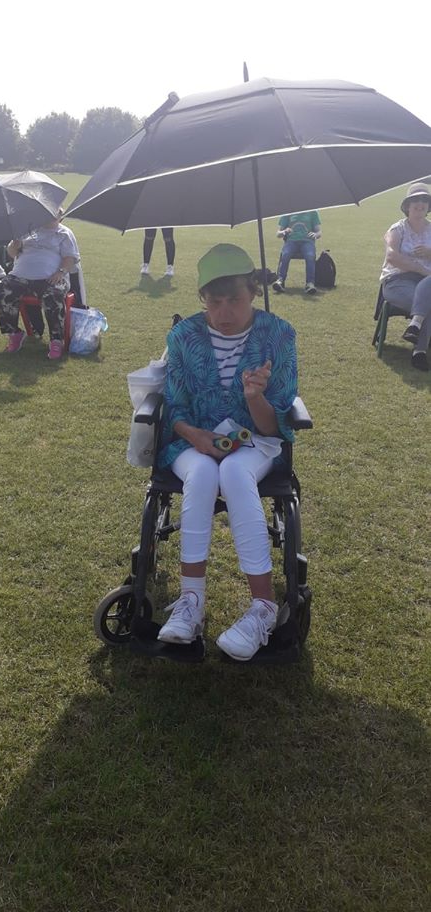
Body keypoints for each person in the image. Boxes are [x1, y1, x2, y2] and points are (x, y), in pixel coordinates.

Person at [156, 243, 298, 661]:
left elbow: (276, 424)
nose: (224, 312)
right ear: (202, 298)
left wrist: (255, 397)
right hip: (191, 439)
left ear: (253, 291)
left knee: (235, 472)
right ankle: (190, 604)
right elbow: (174, 406)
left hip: (256, 441)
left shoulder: (279, 334)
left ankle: (263, 608)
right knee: (202, 473)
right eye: (213, 301)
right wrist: (195, 435)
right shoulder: (184, 336)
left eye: (234, 299)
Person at [0, 210, 84, 360]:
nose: (51, 215)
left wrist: (60, 272)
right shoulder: (27, 230)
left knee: (53, 296)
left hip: (50, 278)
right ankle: (14, 333)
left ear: (60, 216)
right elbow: (12, 253)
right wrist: (15, 245)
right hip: (20, 277)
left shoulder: (64, 233)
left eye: (55, 212)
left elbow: (70, 257)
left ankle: (56, 340)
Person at [381, 181, 431, 371]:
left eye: (424, 200)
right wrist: (420, 269)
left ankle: (415, 326)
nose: (420, 204)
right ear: (407, 205)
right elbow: (391, 256)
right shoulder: (397, 229)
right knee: (428, 303)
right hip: (398, 281)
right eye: (415, 200)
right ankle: (420, 351)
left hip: (427, 283)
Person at [272, 211, 321, 294]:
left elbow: (319, 232)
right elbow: (278, 234)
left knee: (310, 256)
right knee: (285, 254)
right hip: (291, 241)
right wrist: (284, 232)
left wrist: (315, 234)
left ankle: (310, 283)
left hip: (307, 241)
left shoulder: (312, 212)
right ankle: (280, 281)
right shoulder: (287, 212)